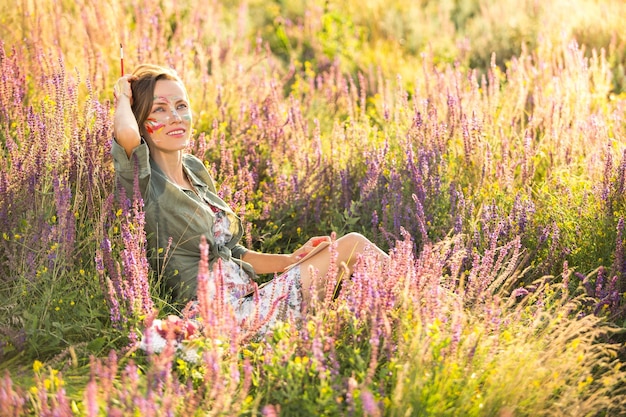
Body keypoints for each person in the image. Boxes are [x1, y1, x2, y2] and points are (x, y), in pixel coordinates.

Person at [112, 64, 388, 331]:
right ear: (140, 121)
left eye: (181, 105)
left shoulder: (194, 170)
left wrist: (291, 260)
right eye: (159, 109)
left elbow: (233, 253)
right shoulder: (143, 182)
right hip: (221, 320)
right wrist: (124, 97)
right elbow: (125, 133)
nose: (175, 116)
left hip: (249, 302)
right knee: (354, 245)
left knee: (346, 251)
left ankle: (412, 308)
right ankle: (423, 301)